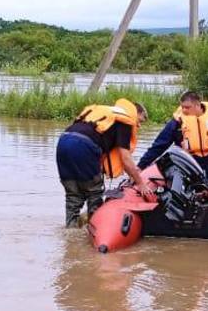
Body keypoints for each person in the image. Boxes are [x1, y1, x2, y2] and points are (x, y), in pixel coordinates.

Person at [56, 97, 156, 226]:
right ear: (135, 113)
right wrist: (141, 184)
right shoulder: (126, 121)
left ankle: (70, 233)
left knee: (73, 196)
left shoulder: (106, 112)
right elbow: (125, 159)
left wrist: (132, 176)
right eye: (140, 121)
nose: (139, 125)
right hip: (85, 145)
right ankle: (94, 230)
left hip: (63, 141)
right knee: (94, 192)